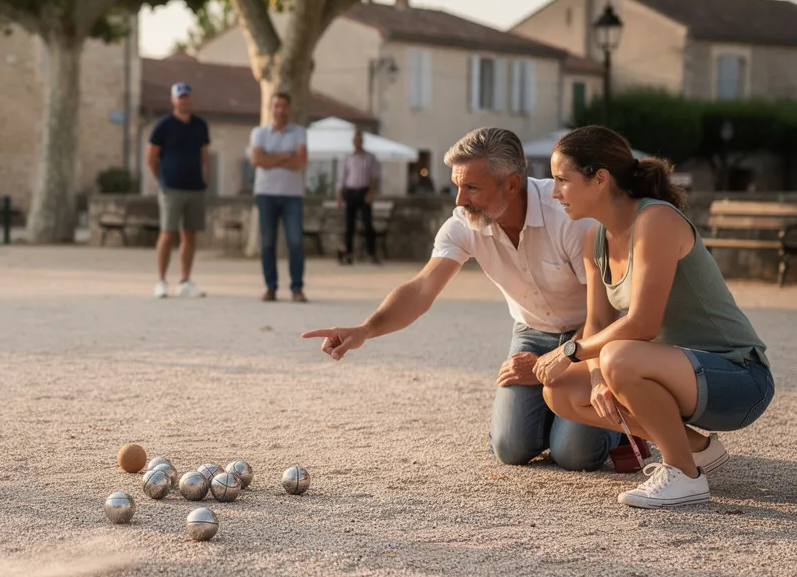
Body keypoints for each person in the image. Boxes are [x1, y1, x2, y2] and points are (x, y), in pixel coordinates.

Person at [303, 127, 620, 471]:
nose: (459, 200)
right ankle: (553, 415)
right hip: (531, 332)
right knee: (510, 449)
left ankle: (621, 427)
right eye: (457, 185)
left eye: (471, 187)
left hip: (590, 336)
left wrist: (561, 360)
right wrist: (365, 329)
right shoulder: (463, 224)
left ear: (511, 184)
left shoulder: (568, 218)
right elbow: (421, 289)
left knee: (576, 456)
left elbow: (605, 314)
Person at [536, 126, 773, 508]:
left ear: (600, 179)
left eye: (562, 180)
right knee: (561, 390)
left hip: (740, 377)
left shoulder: (655, 220)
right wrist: (596, 378)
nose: (555, 191)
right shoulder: (593, 238)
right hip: (679, 374)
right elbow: (597, 321)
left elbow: (642, 324)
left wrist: (570, 351)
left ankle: (684, 475)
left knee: (618, 355)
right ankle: (696, 448)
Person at [147, 82, 209, 298]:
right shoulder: (163, 125)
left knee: (189, 235)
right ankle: (161, 280)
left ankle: (185, 280)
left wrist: (205, 176)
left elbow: (204, 153)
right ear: (174, 100)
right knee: (167, 233)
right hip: (171, 188)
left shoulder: (200, 125)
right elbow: (152, 156)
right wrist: (161, 179)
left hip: (195, 187)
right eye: (180, 97)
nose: (185, 100)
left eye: (187, 97)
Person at [249, 92, 309, 302]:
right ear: (270, 108)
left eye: (284, 106)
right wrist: (285, 156)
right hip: (266, 193)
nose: (280, 110)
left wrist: (271, 158)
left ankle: (297, 288)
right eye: (276, 106)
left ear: (289, 108)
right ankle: (270, 287)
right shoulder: (259, 132)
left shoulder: (299, 132)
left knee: (295, 242)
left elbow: (300, 162)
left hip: (292, 195)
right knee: (267, 243)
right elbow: (257, 160)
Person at [337, 130, 381, 265]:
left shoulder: (370, 158)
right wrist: (339, 196)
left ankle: (371, 253)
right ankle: (348, 253)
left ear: (362, 142)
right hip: (351, 192)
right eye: (355, 141)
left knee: (368, 224)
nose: (357, 143)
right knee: (349, 225)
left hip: (363, 191)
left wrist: (370, 193)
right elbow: (343, 178)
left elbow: (374, 177)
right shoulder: (348, 158)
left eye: (359, 141)